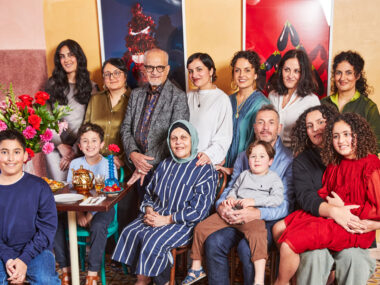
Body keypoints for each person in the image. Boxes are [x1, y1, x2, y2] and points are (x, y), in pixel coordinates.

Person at [272, 104, 376, 285]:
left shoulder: (362, 161)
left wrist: (370, 222)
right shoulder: (322, 160)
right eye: (309, 126)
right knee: (280, 228)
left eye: (321, 122)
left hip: (352, 222)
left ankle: (282, 281)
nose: (316, 129)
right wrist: (334, 207)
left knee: (291, 239)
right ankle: (290, 279)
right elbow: (311, 196)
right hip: (329, 215)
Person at [112, 120, 218, 285]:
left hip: (184, 222)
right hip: (156, 214)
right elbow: (149, 193)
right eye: (173, 138)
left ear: (193, 140)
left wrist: (166, 219)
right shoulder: (165, 164)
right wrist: (148, 210)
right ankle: (143, 279)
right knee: (130, 231)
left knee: (153, 241)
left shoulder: (204, 169)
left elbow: (199, 210)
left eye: (183, 137)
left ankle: (164, 282)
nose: (178, 142)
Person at [204, 104, 293, 285]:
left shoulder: (289, 160)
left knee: (247, 249)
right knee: (213, 242)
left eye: (271, 123)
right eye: (260, 122)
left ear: (279, 128)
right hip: (238, 215)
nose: (265, 127)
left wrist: (257, 213)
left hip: (267, 220)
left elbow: (286, 204)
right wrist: (222, 206)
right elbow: (232, 187)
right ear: (254, 128)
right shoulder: (243, 156)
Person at [183, 141, 284, 285]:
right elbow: (234, 190)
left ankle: (259, 279)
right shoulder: (243, 175)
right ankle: (196, 268)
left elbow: (277, 199)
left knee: (258, 235)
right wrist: (230, 199)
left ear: (270, 161)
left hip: (250, 216)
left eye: (262, 156)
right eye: (253, 156)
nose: (256, 159)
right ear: (248, 159)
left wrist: (253, 201)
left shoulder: (273, 178)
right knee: (201, 228)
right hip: (232, 212)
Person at [54, 123, 117, 285]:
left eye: (94, 141)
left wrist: (89, 215)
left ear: (101, 144)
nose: (90, 145)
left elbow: (107, 195)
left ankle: (92, 274)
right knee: (55, 222)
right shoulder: (75, 164)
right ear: (80, 146)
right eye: (85, 141)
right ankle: (65, 269)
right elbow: (70, 193)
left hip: (102, 210)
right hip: (77, 210)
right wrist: (78, 213)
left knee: (98, 225)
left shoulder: (108, 165)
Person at [120, 48, 189, 190]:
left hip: (162, 169)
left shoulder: (178, 97)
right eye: (150, 67)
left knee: (155, 211)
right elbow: (126, 127)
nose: (155, 72)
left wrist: (144, 164)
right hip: (134, 165)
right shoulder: (135, 94)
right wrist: (133, 154)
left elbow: (176, 137)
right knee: (138, 210)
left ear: (167, 69)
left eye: (160, 67)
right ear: (144, 69)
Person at [0, 130, 60, 284]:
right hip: (1, 252)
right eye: (4, 152)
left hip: (37, 251)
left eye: (17, 152)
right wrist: (7, 258)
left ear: (25, 156)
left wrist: (23, 259)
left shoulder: (39, 187)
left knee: (46, 280)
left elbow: (47, 228)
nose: (11, 158)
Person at [45, 39, 98, 181]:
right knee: (59, 191)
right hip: (56, 148)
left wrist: (75, 150)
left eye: (70, 55)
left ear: (78, 57)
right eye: (62, 56)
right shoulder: (52, 84)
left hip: (82, 148)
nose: (66, 60)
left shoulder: (91, 87)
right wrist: (60, 145)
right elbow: (46, 115)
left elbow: (91, 121)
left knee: (81, 192)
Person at [321, 50, 380, 152]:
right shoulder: (323, 103)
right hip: (325, 164)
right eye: (339, 73)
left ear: (357, 76)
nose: (342, 78)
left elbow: (376, 145)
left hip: (357, 165)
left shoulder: (369, 107)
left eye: (348, 73)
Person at [225, 50, 270, 168]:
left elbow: (263, 143)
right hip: (222, 166)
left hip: (248, 168)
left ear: (255, 74)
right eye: (237, 70)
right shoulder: (226, 101)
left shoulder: (263, 104)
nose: (241, 75)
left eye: (247, 70)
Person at [186, 52, 232, 165]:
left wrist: (208, 155)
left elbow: (224, 137)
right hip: (186, 158)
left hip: (205, 161)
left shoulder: (222, 99)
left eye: (199, 69)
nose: (194, 75)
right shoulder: (188, 96)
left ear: (211, 71)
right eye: (190, 71)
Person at [85, 58, 131, 169]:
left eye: (116, 73)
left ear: (125, 75)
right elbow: (86, 130)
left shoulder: (135, 99)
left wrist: (123, 159)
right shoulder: (95, 99)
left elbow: (138, 135)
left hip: (124, 167)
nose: (112, 77)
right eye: (107, 74)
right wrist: (94, 155)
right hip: (95, 163)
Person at [268, 49, 320, 148]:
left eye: (296, 71)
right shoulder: (272, 95)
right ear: (281, 70)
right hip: (271, 154)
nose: (290, 76)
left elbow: (316, 135)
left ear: (303, 74)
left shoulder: (312, 100)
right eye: (287, 70)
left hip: (296, 157)